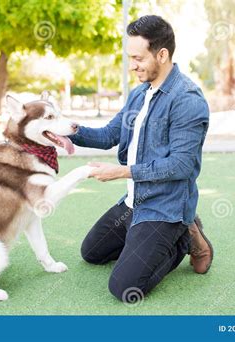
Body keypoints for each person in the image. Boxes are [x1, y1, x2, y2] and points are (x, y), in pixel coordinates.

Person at [69, 15, 214, 302]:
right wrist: (66, 129)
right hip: (134, 203)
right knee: (92, 253)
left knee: (124, 288)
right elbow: (109, 135)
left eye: (138, 58)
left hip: (164, 207)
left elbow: (182, 165)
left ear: (162, 54)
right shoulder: (139, 94)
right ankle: (148, 237)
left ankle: (185, 236)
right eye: (129, 57)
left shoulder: (188, 99)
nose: (132, 65)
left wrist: (122, 172)